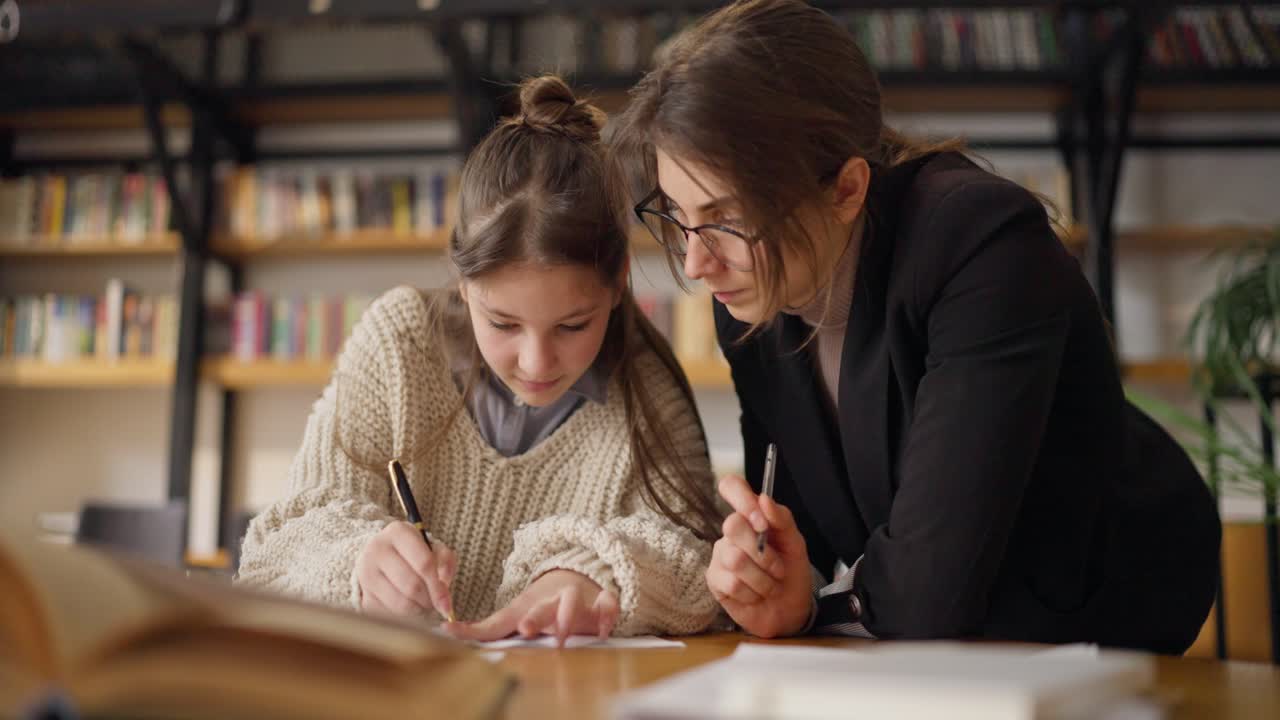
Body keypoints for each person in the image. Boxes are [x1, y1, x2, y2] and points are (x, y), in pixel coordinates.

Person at [609, 0, 1219, 653]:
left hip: (1100, 612)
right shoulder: (748, 298)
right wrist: (769, 572)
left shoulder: (978, 239)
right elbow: (800, 523)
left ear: (846, 190)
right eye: (678, 215)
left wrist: (814, 604)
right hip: (952, 648)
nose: (698, 262)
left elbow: (933, 588)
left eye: (727, 217)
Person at [237, 75, 723, 645]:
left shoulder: (646, 386)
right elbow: (275, 552)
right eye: (503, 324)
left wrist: (592, 573)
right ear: (463, 282)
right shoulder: (399, 343)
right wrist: (359, 566)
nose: (536, 361)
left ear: (619, 284)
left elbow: (698, 563)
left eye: (572, 325)